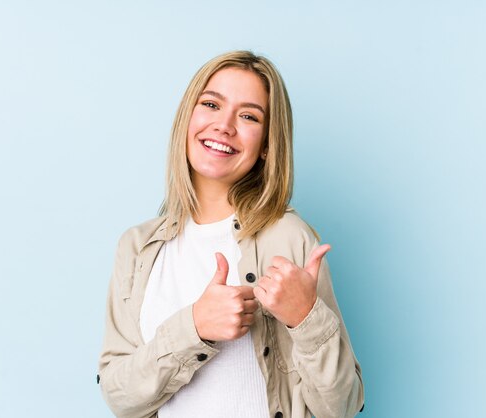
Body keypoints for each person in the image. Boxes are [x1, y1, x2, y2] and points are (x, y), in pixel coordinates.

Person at [98, 50, 364, 418]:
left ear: (268, 145)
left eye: (248, 116)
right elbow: (119, 397)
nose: (224, 125)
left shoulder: (290, 238)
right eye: (210, 104)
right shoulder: (137, 247)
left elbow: (342, 408)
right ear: (187, 118)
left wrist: (305, 318)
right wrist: (194, 327)